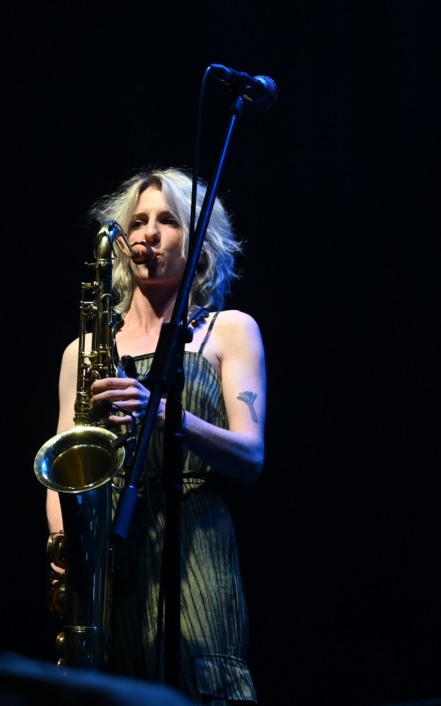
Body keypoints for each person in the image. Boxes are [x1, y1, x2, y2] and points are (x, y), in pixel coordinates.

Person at [44, 167, 265, 704]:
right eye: (138, 221)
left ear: (197, 240)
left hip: (195, 540)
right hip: (111, 556)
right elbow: (63, 465)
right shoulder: (83, 351)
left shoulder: (229, 330)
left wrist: (166, 414)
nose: (148, 233)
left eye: (167, 220)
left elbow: (251, 455)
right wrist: (69, 544)